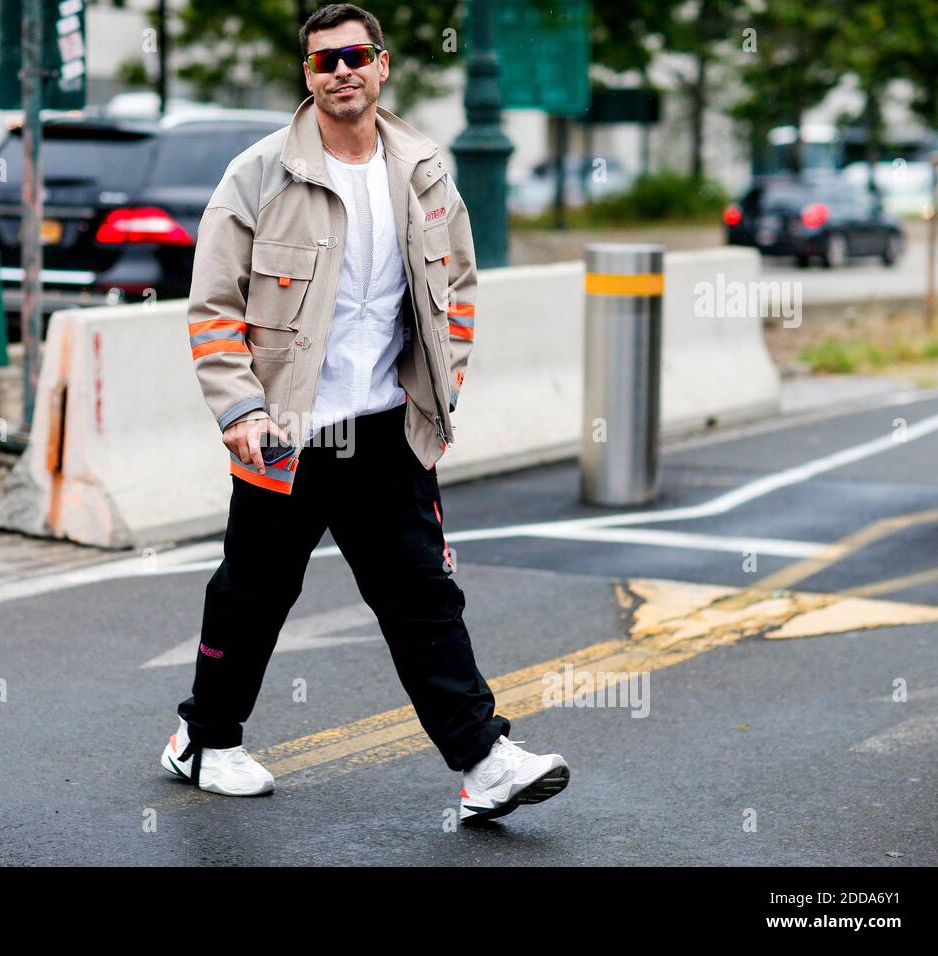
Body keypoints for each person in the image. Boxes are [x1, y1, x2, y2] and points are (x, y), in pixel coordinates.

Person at [160, 3, 569, 823]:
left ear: (382, 66)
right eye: (322, 62)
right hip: (287, 431)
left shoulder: (424, 170)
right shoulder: (260, 173)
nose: (340, 71)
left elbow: (456, 292)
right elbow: (211, 304)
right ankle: (205, 739)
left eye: (355, 56)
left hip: (386, 427)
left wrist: (438, 390)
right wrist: (239, 406)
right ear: (306, 78)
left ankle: (484, 761)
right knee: (253, 596)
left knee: (423, 597)